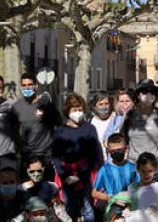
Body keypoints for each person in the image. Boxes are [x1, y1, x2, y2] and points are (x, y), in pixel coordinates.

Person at [52, 94, 101, 222]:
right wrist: (65, 175)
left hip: (85, 175)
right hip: (66, 176)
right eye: (74, 110)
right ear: (67, 111)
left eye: (80, 109)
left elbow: (94, 153)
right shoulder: (60, 131)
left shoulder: (89, 128)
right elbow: (56, 156)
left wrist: (80, 175)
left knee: (88, 209)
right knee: (70, 208)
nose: (78, 113)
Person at [123, 79, 158, 180]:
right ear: (137, 94)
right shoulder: (129, 115)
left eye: (152, 92)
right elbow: (122, 140)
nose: (149, 95)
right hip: (134, 169)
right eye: (144, 91)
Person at [12, 72, 62, 174]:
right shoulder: (16, 107)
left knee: (48, 187)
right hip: (26, 156)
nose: (27, 88)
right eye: (24, 85)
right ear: (21, 87)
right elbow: (14, 131)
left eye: (30, 85)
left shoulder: (47, 105)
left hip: (46, 155)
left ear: (36, 86)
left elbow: (59, 124)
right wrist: (18, 150)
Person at [94, 132, 139, 203]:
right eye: (112, 151)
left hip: (131, 206)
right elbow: (94, 193)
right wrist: (112, 198)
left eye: (119, 150)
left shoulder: (133, 168)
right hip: (112, 208)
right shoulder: (105, 170)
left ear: (126, 149)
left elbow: (141, 187)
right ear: (108, 151)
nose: (116, 153)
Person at [88, 91, 121, 158]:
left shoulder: (117, 119)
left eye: (106, 103)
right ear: (95, 106)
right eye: (101, 104)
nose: (104, 107)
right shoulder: (91, 121)